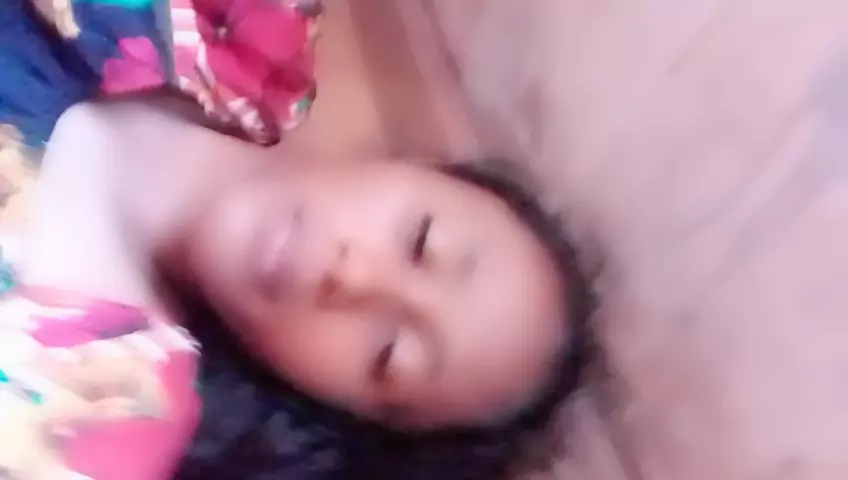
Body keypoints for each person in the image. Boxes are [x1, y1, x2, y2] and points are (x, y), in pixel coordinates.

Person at [0, 93, 593, 479]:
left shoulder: (93, 414)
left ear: (325, 405)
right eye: (420, 241)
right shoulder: (243, 24)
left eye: (388, 354)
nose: (354, 277)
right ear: (411, 166)